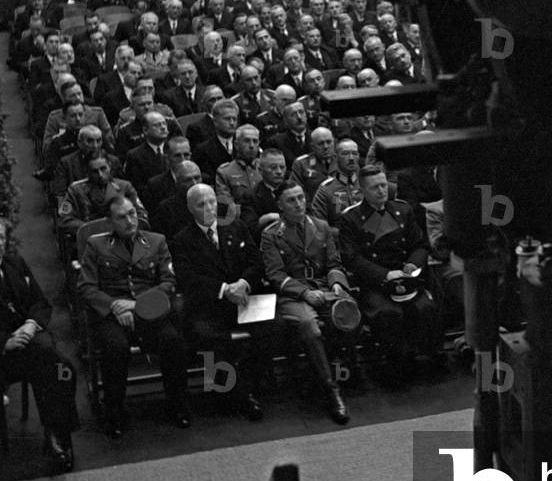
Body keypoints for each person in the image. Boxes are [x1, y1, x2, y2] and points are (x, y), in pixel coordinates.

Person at [0, 216, 78, 472]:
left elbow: (40, 303)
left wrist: (30, 324)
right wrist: (5, 342)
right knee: (60, 368)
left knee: (55, 369)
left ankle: (56, 434)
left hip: (31, 345)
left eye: (1, 237)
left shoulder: (16, 263)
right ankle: (59, 436)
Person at [78, 196, 192, 437]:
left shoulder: (156, 241)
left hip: (149, 310)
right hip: (113, 315)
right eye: (121, 217)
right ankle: (114, 413)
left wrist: (136, 305)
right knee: (115, 348)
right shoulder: (96, 245)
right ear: (110, 222)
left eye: (132, 214)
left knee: (172, 341)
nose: (130, 221)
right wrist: (114, 306)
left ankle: (178, 406)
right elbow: (86, 287)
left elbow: (169, 282)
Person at [171, 185, 274, 421]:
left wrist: (243, 283)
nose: (209, 208)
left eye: (212, 202)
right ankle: (237, 395)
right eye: (201, 204)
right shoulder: (181, 240)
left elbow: (257, 263)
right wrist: (225, 290)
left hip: (243, 299)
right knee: (210, 338)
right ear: (190, 208)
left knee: (274, 325)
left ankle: (251, 384)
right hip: (208, 307)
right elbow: (189, 280)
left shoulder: (236, 227)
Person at [261, 181, 354, 423]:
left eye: (301, 198)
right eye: (291, 200)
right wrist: (304, 293)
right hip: (292, 294)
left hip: (324, 288)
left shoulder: (321, 226)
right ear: (280, 205)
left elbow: (334, 264)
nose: (298, 204)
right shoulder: (271, 234)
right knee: (309, 327)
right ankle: (331, 389)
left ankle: (335, 374)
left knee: (348, 316)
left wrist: (337, 284)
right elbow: (275, 275)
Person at [338, 165, 442, 378]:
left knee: (426, 308)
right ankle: (394, 365)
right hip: (376, 282)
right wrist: (385, 275)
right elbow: (352, 259)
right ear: (362, 190)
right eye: (374, 187)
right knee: (388, 314)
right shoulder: (351, 218)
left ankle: (427, 359)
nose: (381, 191)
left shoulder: (403, 210)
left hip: (406, 277)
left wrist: (412, 265)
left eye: (384, 185)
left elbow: (420, 245)